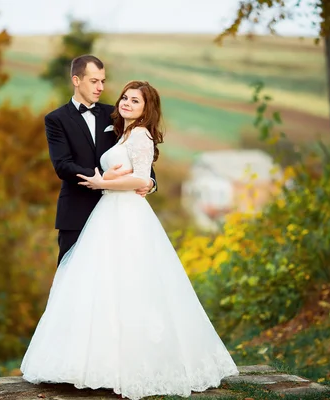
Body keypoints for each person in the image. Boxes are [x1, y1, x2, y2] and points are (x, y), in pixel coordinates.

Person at [21, 80, 239, 399]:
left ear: (145, 109)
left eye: (134, 101)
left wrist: (102, 183)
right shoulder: (122, 131)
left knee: (130, 284)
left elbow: (142, 176)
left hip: (127, 214)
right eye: (124, 97)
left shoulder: (140, 135)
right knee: (102, 285)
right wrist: (108, 179)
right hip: (109, 212)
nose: (125, 103)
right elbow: (125, 174)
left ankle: (132, 368)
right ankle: (97, 365)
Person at [43, 55, 157, 265]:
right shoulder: (55, 120)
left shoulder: (115, 113)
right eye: (94, 81)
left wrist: (150, 181)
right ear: (76, 80)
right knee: (72, 279)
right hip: (76, 213)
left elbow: (137, 151)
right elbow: (62, 165)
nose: (100, 87)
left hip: (117, 214)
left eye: (102, 81)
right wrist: (102, 178)